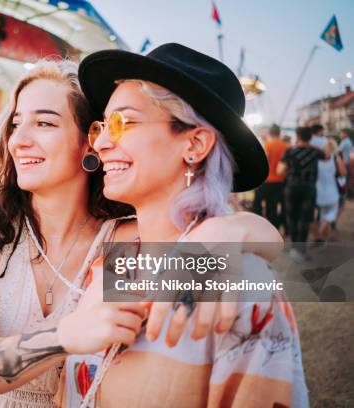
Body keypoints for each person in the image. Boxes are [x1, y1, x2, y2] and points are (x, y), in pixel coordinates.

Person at [0, 59, 283, 407]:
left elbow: (279, 252)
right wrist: (64, 336)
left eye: (44, 122)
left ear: (87, 142)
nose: (18, 141)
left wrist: (230, 228)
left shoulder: (120, 244)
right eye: (15, 125)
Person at [56, 43, 307, 407]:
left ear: (195, 143)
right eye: (102, 125)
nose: (102, 143)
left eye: (123, 122)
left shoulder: (237, 283)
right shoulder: (113, 257)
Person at [278, 126, 326, 261]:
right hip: (309, 189)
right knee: (305, 219)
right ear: (310, 137)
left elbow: (280, 171)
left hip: (292, 187)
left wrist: (291, 172)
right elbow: (327, 156)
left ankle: (294, 248)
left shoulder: (290, 151)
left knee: (292, 218)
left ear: (297, 137)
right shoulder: (316, 152)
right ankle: (301, 251)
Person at [253, 124, 288, 230]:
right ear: (279, 133)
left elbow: (263, 163)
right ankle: (275, 227)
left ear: (270, 133)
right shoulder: (285, 146)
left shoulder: (267, 145)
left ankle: (260, 224)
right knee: (272, 205)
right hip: (281, 181)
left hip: (267, 180)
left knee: (258, 202)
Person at [315, 139, 347, 242]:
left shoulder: (316, 160)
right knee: (334, 211)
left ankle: (323, 237)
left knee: (323, 213)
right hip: (332, 191)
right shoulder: (335, 158)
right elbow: (343, 173)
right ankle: (321, 231)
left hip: (319, 191)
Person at [337, 128, 352, 199]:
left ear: (345, 134)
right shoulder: (347, 141)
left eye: (341, 133)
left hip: (345, 163)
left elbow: (337, 150)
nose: (340, 135)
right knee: (346, 178)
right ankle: (348, 194)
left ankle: (347, 194)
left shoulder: (345, 142)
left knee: (344, 178)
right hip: (347, 162)